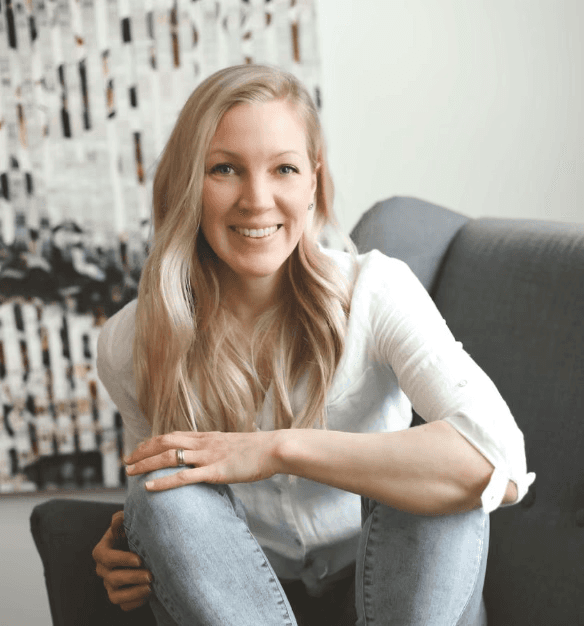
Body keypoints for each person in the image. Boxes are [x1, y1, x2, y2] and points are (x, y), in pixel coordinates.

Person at [92, 64, 535, 626]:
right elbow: (168, 498)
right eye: (225, 169)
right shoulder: (131, 341)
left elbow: (501, 464)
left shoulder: (377, 292)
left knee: (439, 483)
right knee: (160, 495)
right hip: (244, 601)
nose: (257, 200)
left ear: (313, 183)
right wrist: (129, 541)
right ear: (187, 184)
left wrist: (276, 449)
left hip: (399, 588)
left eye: (284, 168)